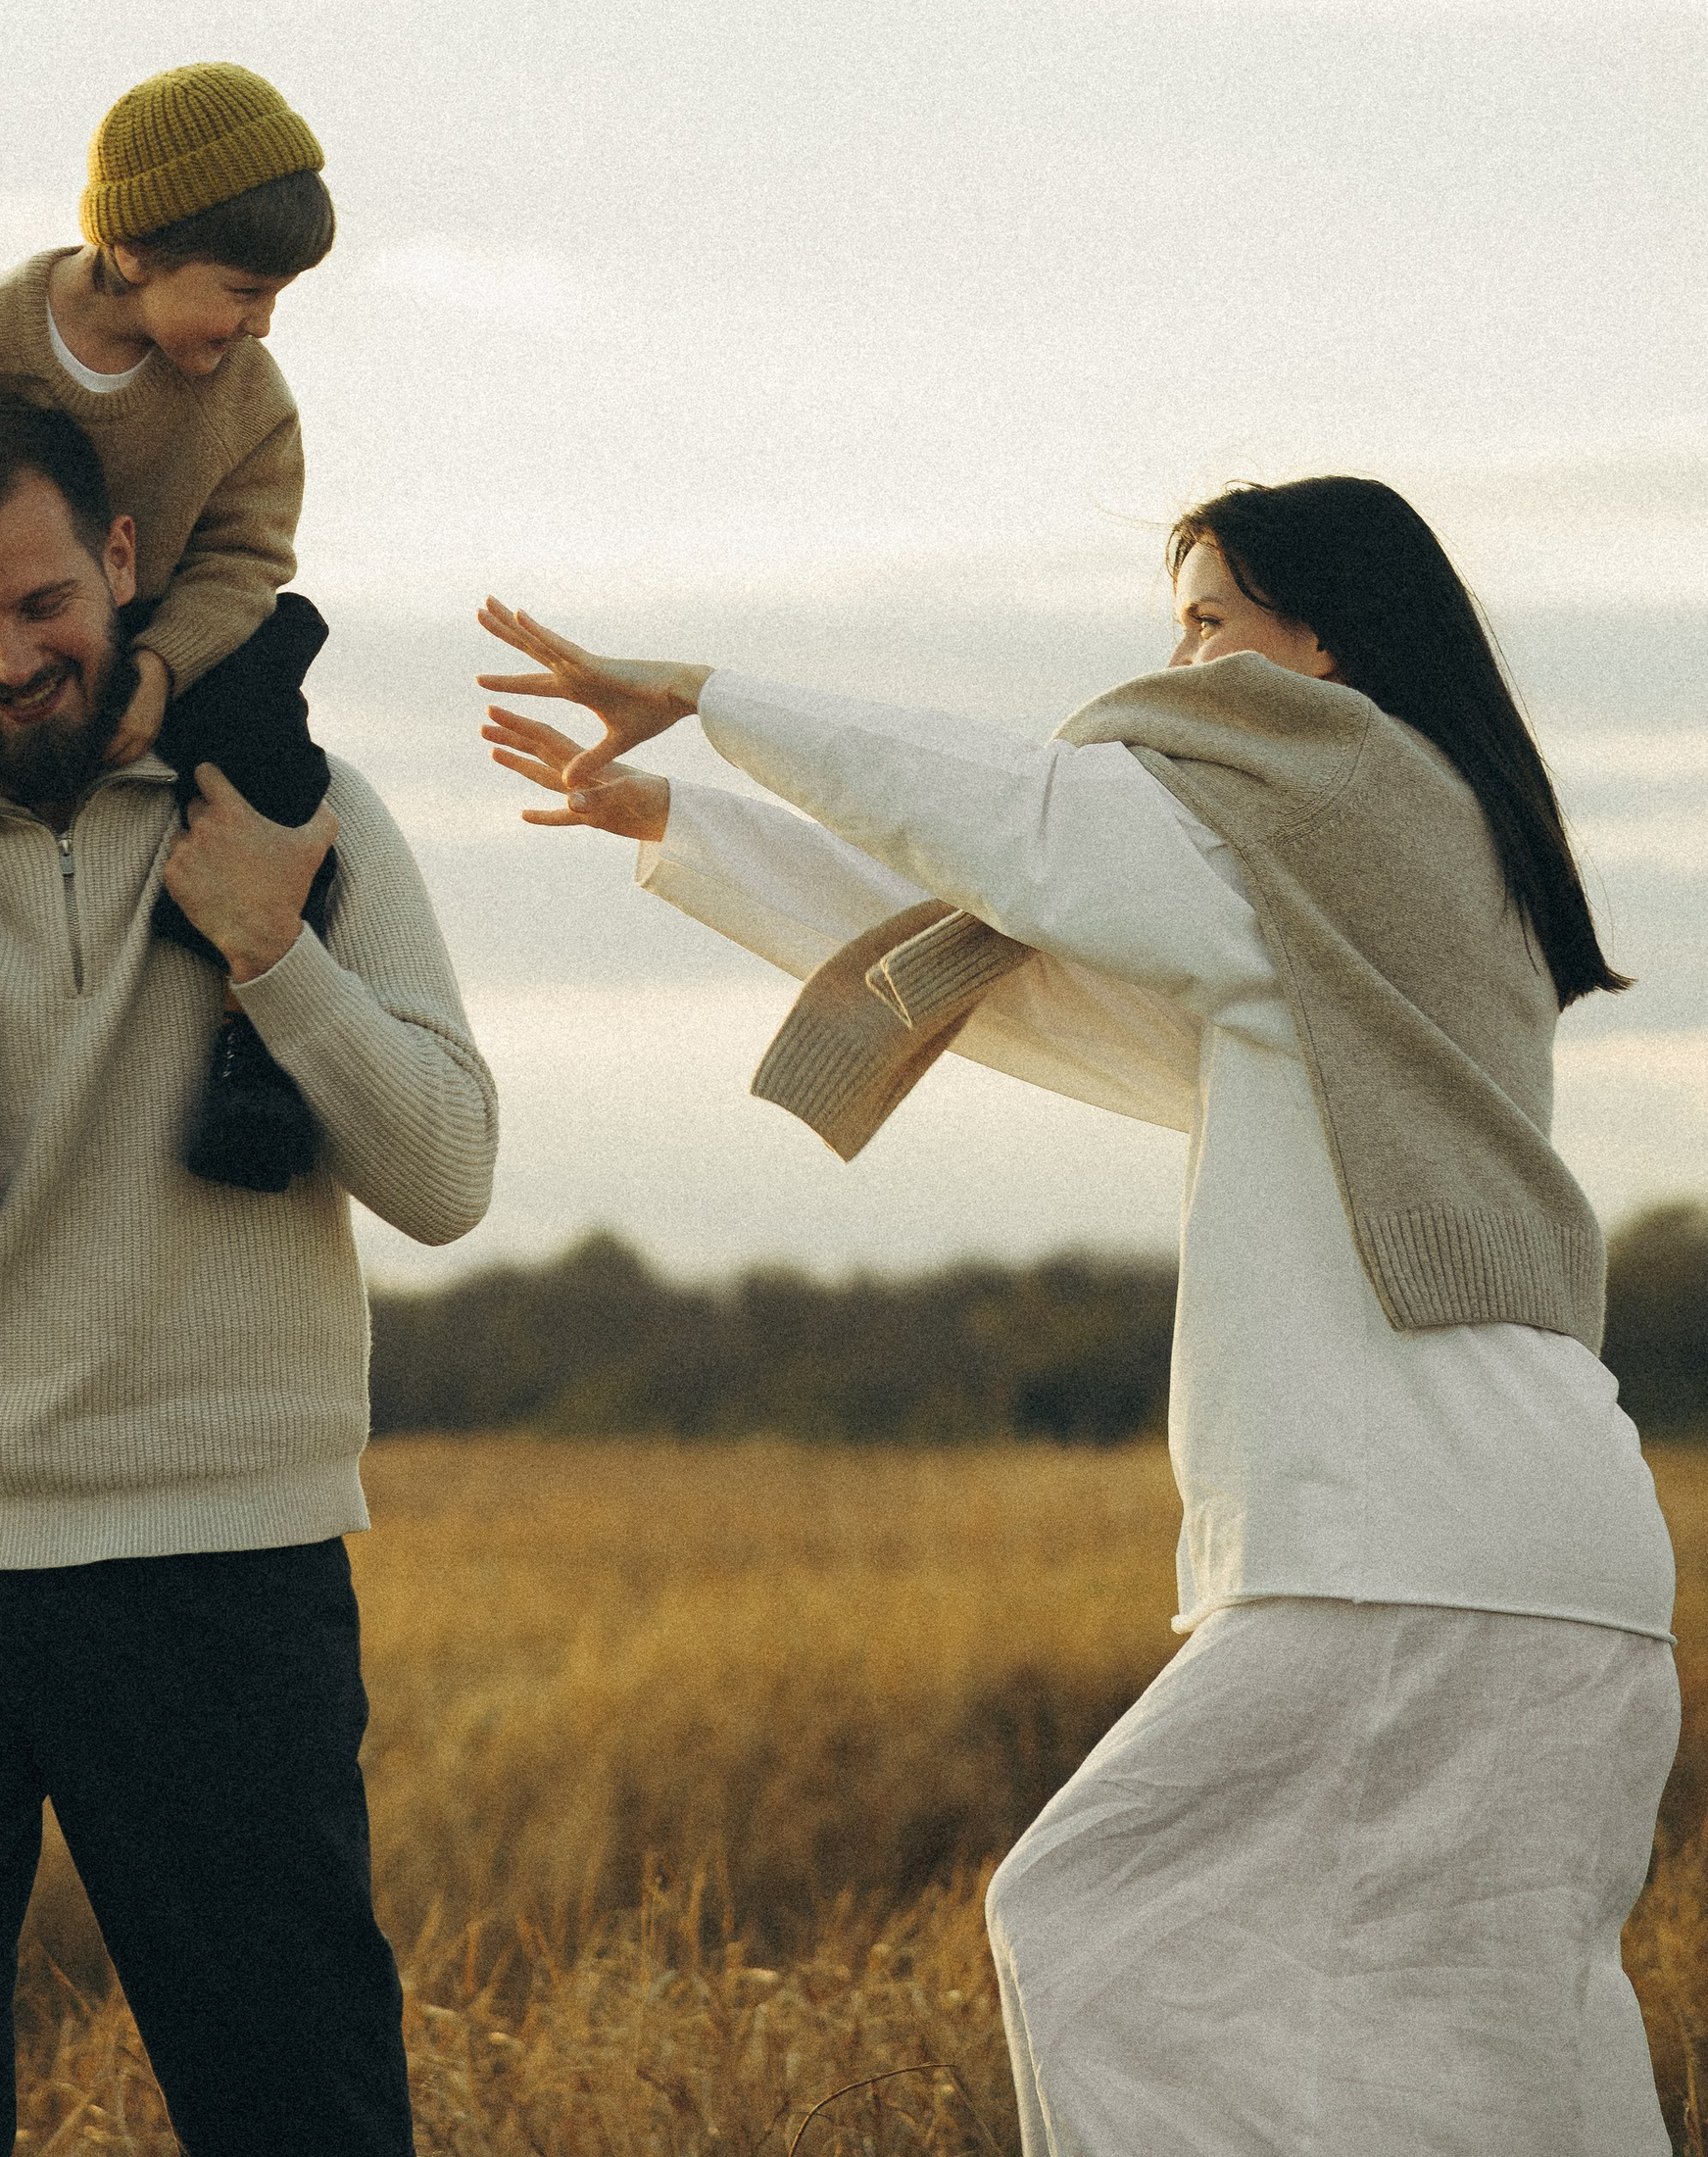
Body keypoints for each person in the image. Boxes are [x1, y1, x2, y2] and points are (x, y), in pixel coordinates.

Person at [476, 476, 1678, 2157]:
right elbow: (1029, 975)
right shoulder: (1393, 883)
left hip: (1405, 1547)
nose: (1177, 664)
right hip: (1553, 1558)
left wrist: (713, 696)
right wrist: (689, 824)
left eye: (1205, 621)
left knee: (1096, 1923)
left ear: (1316, 648)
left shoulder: (1342, 798)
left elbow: (1034, 828)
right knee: (1480, 2039)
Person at [0, 387, 496, 2157]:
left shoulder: (303, 811)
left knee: (300, 2117)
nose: (9, 657)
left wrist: (277, 954)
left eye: (42, 603)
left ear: (123, 561)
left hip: (223, 1573)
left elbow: (447, 1173)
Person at [0, 60, 343, 1235]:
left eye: (277, 298)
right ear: (137, 251)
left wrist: (160, 666)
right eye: (243, 288)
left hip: (185, 626)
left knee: (276, 763)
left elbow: (248, 555)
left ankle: (260, 1059)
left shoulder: (251, 396)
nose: (259, 322)